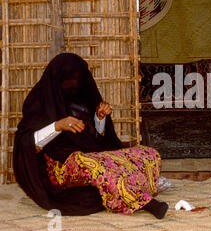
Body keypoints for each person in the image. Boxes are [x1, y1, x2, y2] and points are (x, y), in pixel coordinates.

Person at [13, 53, 169, 218]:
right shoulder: (39, 100)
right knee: (100, 168)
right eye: (68, 79)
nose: (73, 84)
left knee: (148, 154)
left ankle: (132, 186)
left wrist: (99, 118)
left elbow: (98, 138)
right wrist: (57, 126)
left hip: (93, 153)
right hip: (62, 162)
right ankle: (147, 203)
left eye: (77, 79)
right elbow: (28, 141)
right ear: (57, 78)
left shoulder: (83, 94)